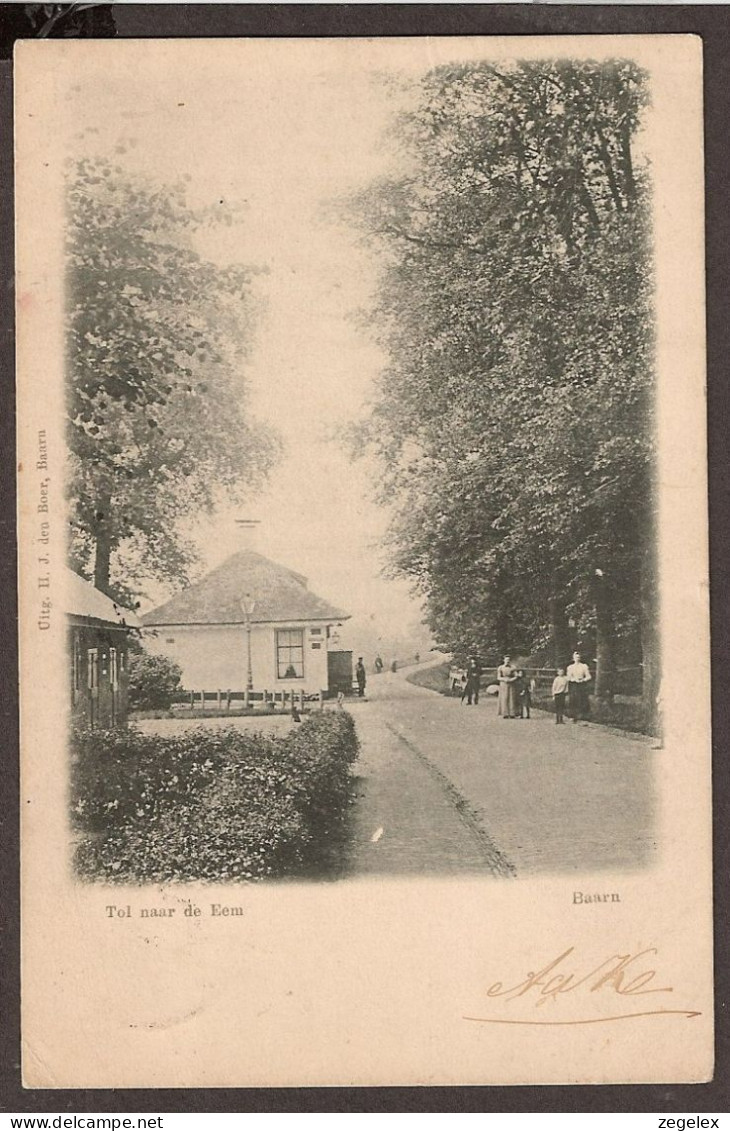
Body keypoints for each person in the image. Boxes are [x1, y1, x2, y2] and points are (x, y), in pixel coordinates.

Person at [566, 650, 592, 722]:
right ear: (573, 658)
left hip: (582, 684)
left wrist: (583, 679)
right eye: (575, 657)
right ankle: (573, 716)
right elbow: (568, 677)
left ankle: (584, 716)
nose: (577, 658)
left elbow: (589, 676)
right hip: (574, 684)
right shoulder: (570, 667)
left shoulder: (584, 666)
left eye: (578, 657)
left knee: (583, 699)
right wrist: (574, 679)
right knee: (573, 699)